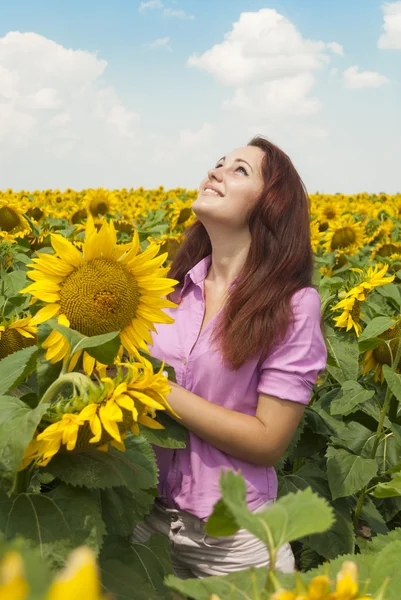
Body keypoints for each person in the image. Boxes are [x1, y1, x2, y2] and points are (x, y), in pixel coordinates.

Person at [133, 135, 328, 579]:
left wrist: (153, 387)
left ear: (271, 205)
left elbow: (267, 441)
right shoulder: (165, 290)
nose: (215, 171)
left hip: (232, 545)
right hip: (145, 525)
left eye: (239, 169)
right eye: (218, 163)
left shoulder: (292, 305)